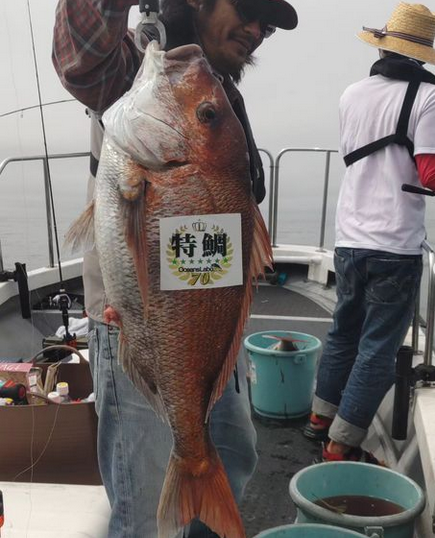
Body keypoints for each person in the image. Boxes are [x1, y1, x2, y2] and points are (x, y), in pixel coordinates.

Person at [52, 0, 297, 536]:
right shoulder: (140, 73)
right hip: (137, 325)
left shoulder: (210, 89)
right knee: (144, 513)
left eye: (269, 26)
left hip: (204, 328)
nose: (258, 29)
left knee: (231, 454)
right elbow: (83, 55)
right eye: (250, 9)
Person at [303, 2, 435, 463]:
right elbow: (431, 172)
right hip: (394, 244)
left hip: (349, 237)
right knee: (378, 348)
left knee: (342, 335)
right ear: (423, 53)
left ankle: (319, 419)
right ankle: (341, 445)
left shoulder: (352, 93)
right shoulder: (432, 97)